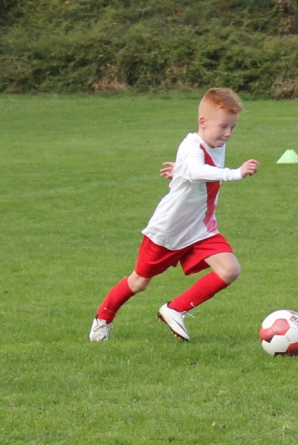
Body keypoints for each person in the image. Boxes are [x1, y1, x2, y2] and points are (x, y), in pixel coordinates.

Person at [89, 88, 258, 342]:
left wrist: (181, 172)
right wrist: (234, 173)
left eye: (232, 128)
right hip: (169, 230)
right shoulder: (191, 145)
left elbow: (192, 171)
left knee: (229, 270)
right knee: (139, 282)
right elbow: (194, 169)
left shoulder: (214, 142)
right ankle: (103, 316)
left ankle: (175, 309)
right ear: (203, 122)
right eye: (223, 127)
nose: (228, 134)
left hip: (200, 229)